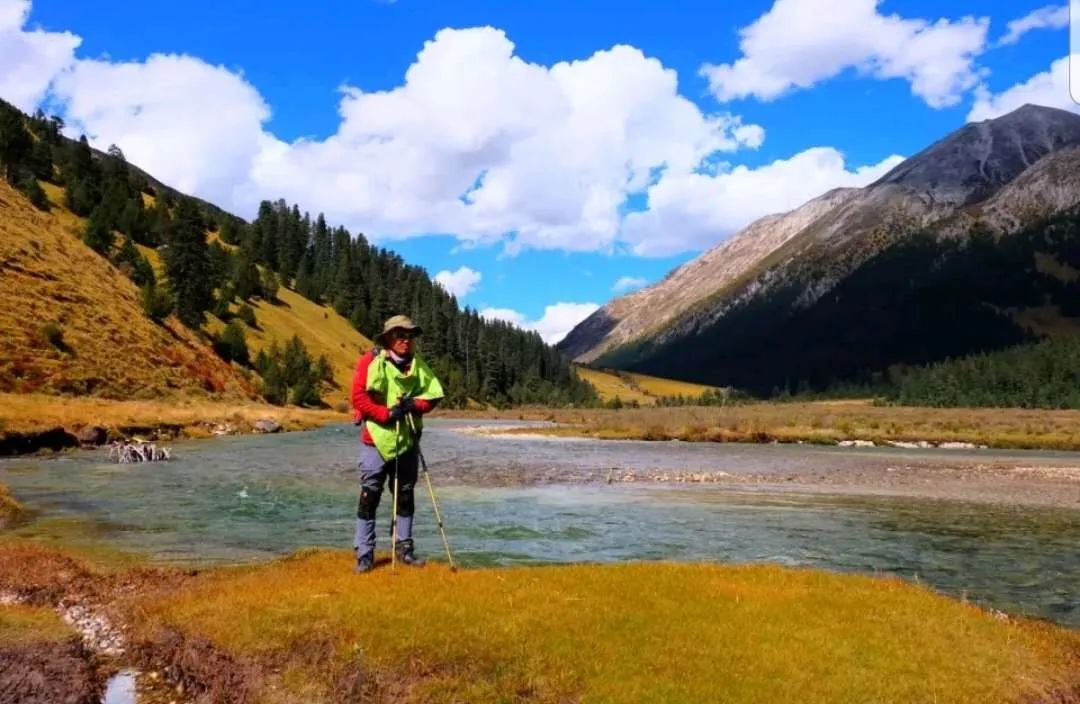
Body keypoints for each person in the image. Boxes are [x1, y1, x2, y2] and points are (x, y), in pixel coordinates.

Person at [350, 315, 445, 573]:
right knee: (369, 496)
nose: (406, 340)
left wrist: (415, 405)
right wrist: (385, 414)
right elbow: (358, 396)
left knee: (404, 495)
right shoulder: (371, 361)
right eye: (400, 335)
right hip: (375, 441)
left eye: (410, 335)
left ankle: (404, 549)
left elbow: (433, 396)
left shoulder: (419, 366)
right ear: (389, 338)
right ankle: (365, 553)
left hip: (407, 441)